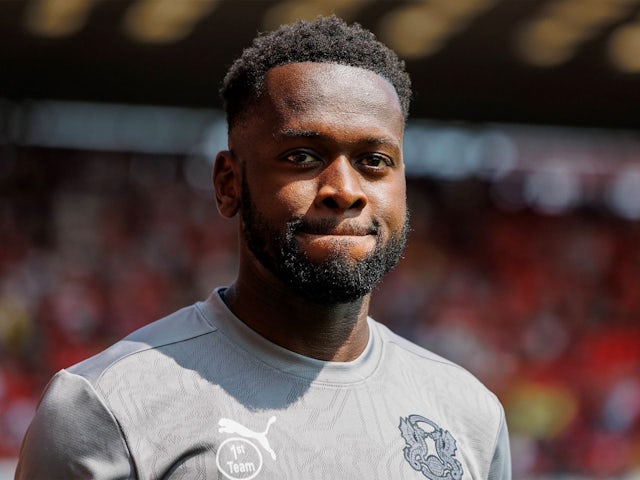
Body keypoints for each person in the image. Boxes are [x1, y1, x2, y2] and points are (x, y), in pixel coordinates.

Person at [16, 16, 511, 479]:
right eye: (301, 157)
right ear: (229, 184)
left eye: (375, 160)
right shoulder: (105, 408)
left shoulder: (469, 413)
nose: (345, 188)